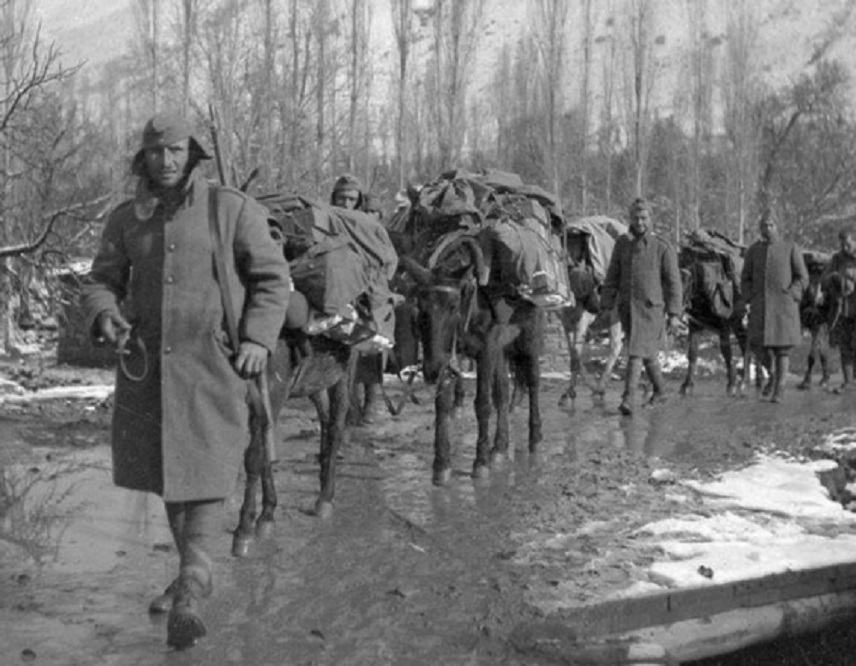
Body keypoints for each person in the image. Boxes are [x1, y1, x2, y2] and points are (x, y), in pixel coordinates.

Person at [81, 113, 290, 649]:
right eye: (156, 152)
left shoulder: (229, 209)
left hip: (214, 367)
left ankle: (193, 586)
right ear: (144, 158)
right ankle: (192, 574)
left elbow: (272, 279)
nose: (166, 161)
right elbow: (102, 280)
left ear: (192, 153)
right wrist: (105, 314)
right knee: (170, 474)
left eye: (176, 150)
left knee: (207, 471)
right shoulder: (127, 219)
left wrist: (257, 339)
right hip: (149, 370)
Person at [601, 198, 683, 416]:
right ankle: (661, 391)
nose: (639, 222)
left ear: (651, 219)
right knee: (647, 355)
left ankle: (627, 399)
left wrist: (674, 314)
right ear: (630, 219)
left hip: (651, 310)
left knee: (635, 353)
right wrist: (606, 303)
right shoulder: (622, 244)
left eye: (644, 218)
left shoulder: (662, 247)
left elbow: (673, 283)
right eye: (636, 218)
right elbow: (612, 275)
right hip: (628, 309)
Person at [329, 174, 393, 424]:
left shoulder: (368, 225)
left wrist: (371, 280)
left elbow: (387, 259)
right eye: (341, 198)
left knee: (371, 342)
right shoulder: (326, 218)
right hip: (336, 287)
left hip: (367, 290)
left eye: (351, 199)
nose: (346, 204)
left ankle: (371, 400)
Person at [740, 211, 808, 403]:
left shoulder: (790, 247)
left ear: (778, 227)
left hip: (783, 308)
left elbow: (802, 277)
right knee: (758, 346)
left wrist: (792, 294)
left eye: (771, 225)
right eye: (764, 225)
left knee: (782, 350)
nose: (767, 229)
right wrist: (749, 297)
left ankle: (780, 389)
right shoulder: (753, 251)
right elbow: (745, 278)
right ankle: (772, 375)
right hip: (760, 308)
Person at [822, 230, 856, 392]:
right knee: (845, 345)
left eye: (847, 243)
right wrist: (835, 278)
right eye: (842, 244)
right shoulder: (837, 258)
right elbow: (824, 278)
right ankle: (848, 382)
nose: (845, 247)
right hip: (843, 309)